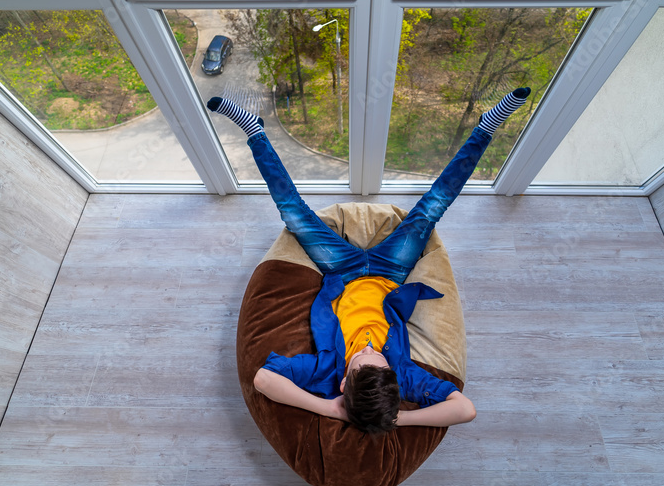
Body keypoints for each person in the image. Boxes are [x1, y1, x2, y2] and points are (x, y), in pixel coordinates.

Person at [208, 87, 531, 434]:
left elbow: (262, 379)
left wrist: (330, 409)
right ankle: (486, 128)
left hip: (341, 272)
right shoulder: (401, 378)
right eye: (379, 361)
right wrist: (399, 417)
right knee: (432, 207)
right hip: (391, 272)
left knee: (293, 214)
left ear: (344, 385)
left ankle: (255, 133)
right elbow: (465, 410)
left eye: (361, 362)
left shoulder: (326, 370)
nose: (368, 351)